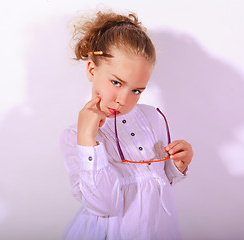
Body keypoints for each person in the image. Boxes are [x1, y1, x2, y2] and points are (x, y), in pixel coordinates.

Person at [60, 10, 193, 240]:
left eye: (136, 90)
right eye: (116, 82)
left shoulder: (153, 118)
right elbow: (103, 205)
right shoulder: (75, 136)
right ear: (92, 70)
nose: (123, 99)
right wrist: (87, 140)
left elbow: (154, 180)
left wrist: (177, 166)